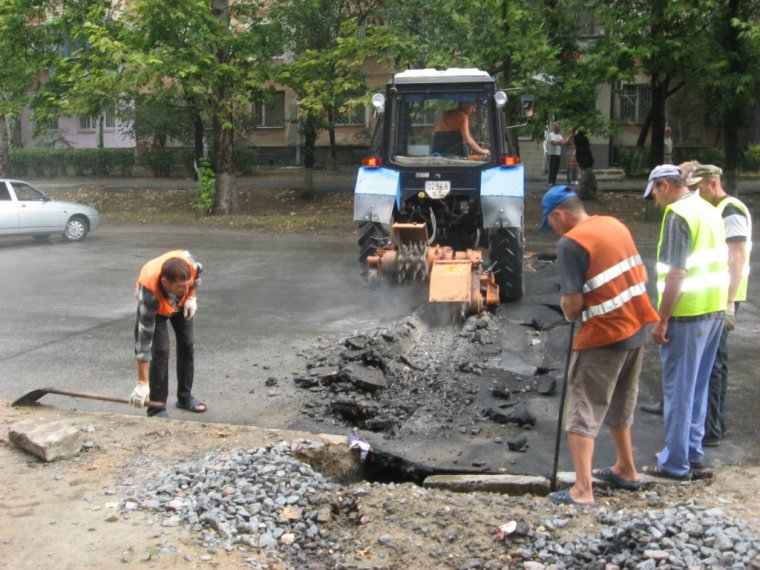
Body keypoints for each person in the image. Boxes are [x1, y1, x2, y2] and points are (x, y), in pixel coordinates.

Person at [541, 185, 659, 506]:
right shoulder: (614, 224)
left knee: (584, 408)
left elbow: (573, 304)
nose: (551, 230)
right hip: (636, 328)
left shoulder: (571, 243)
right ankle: (626, 468)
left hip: (604, 336)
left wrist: (568, 313)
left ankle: (582, 490)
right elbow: (640, 275)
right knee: (622, 401)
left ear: (559, 215)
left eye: (549, 223)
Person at [642, 165, 728, 479]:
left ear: (664, 185)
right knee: (698, 387)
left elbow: (677, 272)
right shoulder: (709, 210)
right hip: (714, 308)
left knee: (679, 389)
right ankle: (692, 455)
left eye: (655, 195)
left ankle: (675, 463)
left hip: (687, 314)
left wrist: (661, 319)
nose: (655, 203)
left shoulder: (678, 215)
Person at [687, 164, 752, 447]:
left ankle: (713, 427)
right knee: (711, 362)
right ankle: (709, 424)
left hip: (724, 296)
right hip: (716, 294)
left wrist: (727, 302)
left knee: (715, 363)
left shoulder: (730, 210)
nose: (695, 193)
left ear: (712, 183)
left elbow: (736, 258)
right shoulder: (717, 209)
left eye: (698, 187)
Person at [129, 250, 206, 417]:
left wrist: (191, 297)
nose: (185, 289)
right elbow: (143, 342)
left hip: (181, 305)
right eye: (181, 286)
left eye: (187, 284)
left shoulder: (191, 265)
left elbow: (197, 277)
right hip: (158, 309)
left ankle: (185, 398)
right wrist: (142, 383)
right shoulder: (148, 292)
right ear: (165, 282)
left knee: (187, 344)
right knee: (161, 351)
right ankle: (157, 408)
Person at [573, 128, 597, 200]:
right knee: (586, 179)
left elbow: (575, 138)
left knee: (586, 179)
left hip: (584, 161)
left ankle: (585, 193)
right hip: (586, 162)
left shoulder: (579, 141)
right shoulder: (583, 141)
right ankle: (585, 194)